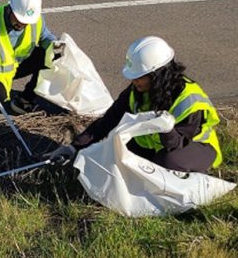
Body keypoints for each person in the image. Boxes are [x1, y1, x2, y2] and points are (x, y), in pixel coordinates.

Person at [49, 36, 222, 173]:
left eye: (139, 76)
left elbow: (176, 146)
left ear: (157, 75)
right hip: (153, 148)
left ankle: (194, 175)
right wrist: (74, 147)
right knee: (110, 154)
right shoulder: (137, 90)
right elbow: (109, 121)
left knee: (166, 162)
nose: (133, 81)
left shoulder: (189, 101)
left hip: (193, 148)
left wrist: (167, 129)